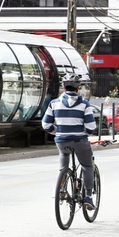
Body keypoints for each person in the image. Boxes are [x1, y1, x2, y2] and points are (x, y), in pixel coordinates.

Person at [41, 73, 98, 209]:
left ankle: (62, 185)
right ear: (78, 88)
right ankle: (88, 197)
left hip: (61, 140)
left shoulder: (54, 104)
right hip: (79, 141)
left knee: (64, 156)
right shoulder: (84, 104)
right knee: (87, 166)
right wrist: (85, 133)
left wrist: (58, 132)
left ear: (63, 87)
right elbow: (91, 127)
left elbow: (45, 124)